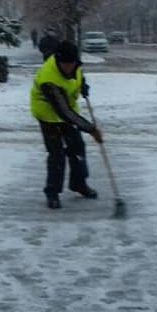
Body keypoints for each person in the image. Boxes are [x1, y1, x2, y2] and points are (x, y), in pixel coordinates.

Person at [30, 40, 103, 209]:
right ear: (58, 61)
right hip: (47, 113)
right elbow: (64, 112)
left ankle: (79, 183)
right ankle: (52, 192)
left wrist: (83, 85)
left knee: (77, 148)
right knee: (57, 155)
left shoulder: (74, 65)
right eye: (66, 65)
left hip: (67, 110)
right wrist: (91, 129)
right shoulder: (49, 79)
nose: (69, 68)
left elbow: (78, 75)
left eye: (72, 64)